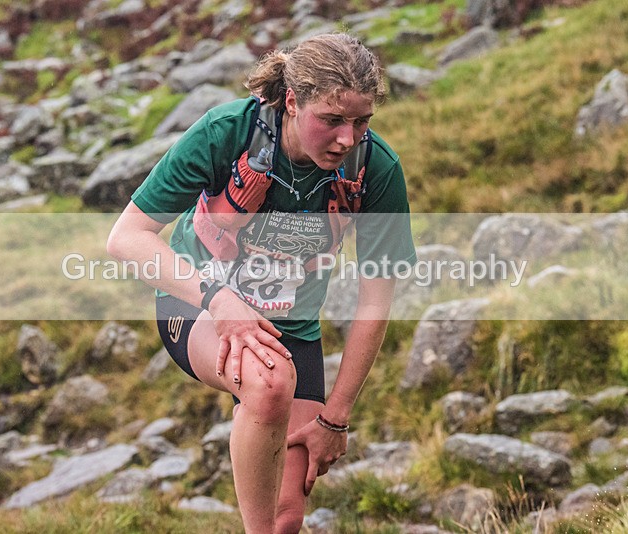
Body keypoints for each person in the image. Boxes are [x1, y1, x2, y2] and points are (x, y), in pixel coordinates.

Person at [107, 33, 416, 533]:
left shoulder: (375, 169)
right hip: (198, 305)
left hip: (289, 327)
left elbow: (377, 297)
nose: (347, 138)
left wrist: (336, 417)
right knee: (268, 384)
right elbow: (126, 238)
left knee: (286, 519)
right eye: (332, 120)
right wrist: (217, 296)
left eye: (361, 122)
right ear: (292, 101)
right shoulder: (226, 133)